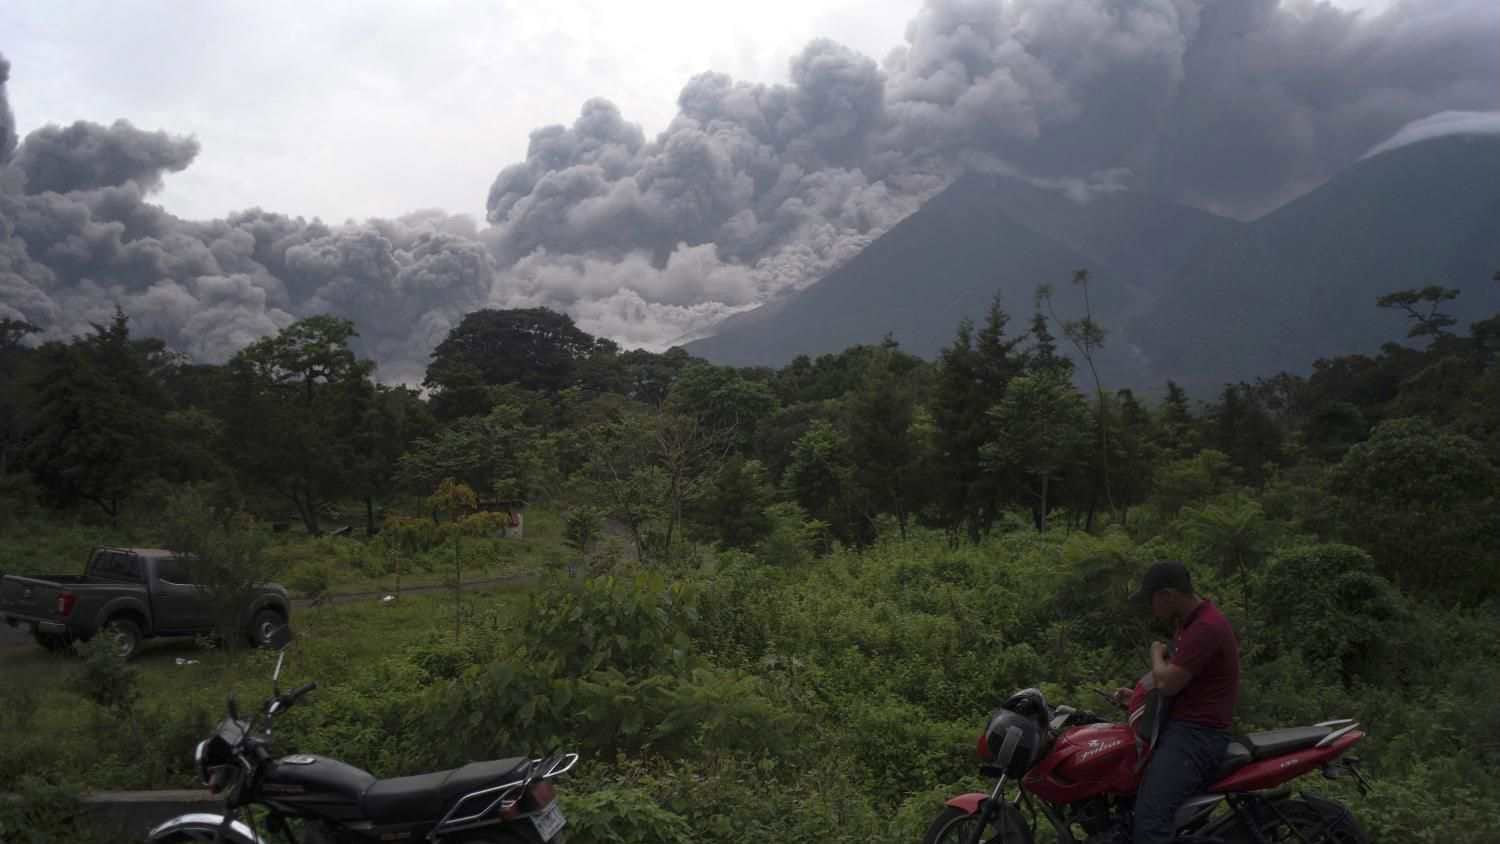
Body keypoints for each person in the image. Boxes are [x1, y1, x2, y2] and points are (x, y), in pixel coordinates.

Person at [1113, 560, 1240, 844]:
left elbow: (1168, 683)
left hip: (1196, 737)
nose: (1151, 608)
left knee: (1149, 826)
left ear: (1167, 596)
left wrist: (1156, 653)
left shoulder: (1206, 627)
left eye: (1152, 601)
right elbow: (1186, 679)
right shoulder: (1190, 623)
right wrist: (1136, 698)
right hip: (1183, 729)